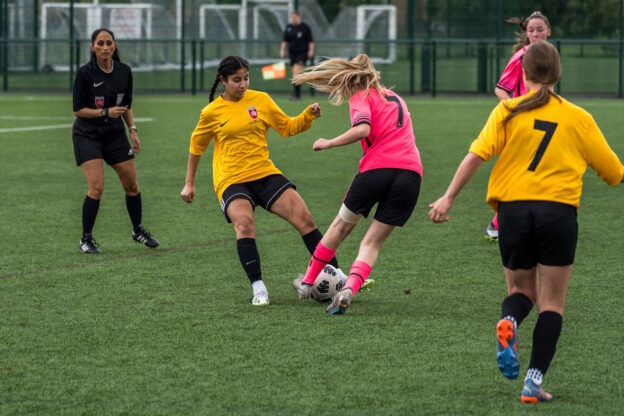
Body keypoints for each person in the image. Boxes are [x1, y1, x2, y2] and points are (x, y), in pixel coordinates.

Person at [429, 41, 624, 403]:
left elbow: (476, 155)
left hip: (513, 213)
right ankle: (533, 382)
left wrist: (448, 197)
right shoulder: (579, 117)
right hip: (558, 213)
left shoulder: (506, 110)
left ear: (523, 73)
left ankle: (511, 324)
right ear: (559, 72)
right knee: (552, 303)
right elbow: (614, 172)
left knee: (521, 294)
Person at [180, 56, 358, 306]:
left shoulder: (260, 100)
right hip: (231, 180)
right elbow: (196, 147)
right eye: (236, 80)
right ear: (223, 80)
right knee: (244, 224)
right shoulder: (211, 113)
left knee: (305, 218)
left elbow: (286, 127)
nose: (242, 85)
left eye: (246, 79)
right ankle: (258, 287)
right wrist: (189, 183)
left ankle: (339, 277)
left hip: (264, 172)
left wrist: (307, 116)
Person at [291, 54, 423, 315]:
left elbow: (362, 129)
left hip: (377, 169)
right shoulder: (396, 98)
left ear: (352, 79)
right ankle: (350, 287)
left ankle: (306, 283)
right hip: (411, 174)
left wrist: (329, 142)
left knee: (339, 228)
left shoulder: (361, 95)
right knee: (372, 243)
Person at [72, 28, 159, 254]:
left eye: (108, 43)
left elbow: (125, 106)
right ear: (93, 47)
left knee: (131, 185)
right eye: (100, 43)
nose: (105, 47)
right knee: (97, 187)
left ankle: (138, 230)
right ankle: (85, 239)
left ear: (115, 46)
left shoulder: (124, 72)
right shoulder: (85, 73)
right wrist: (104, 113)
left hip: (114, 134)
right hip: (88, 135)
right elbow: (78, 110)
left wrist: (133, 129)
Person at [486, 11, 551, 242]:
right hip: (522, 124)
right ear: (526, 33)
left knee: (538, 171)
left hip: (544, 123)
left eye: (539, 29)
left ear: (548, 32)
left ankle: (504, 222)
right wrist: (516, 108)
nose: (535, 34)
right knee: (520, 172)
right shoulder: (521, 57)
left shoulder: (549, 56)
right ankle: (497, 223)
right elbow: (501, 89)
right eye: (531, 30)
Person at [280, 11, 314, 101]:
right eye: (292, 17)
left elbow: (310, 41)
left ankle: (296, 94)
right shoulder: (289, 27)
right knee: (296, 75)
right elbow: (285, 41)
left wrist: (311, 50)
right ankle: (297, 94)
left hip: (302, 53)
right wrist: (282, 51)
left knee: (296, 72)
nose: (293, 19)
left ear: (298, 17)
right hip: (292, 54)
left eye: (295, 17)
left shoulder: (305, 27)